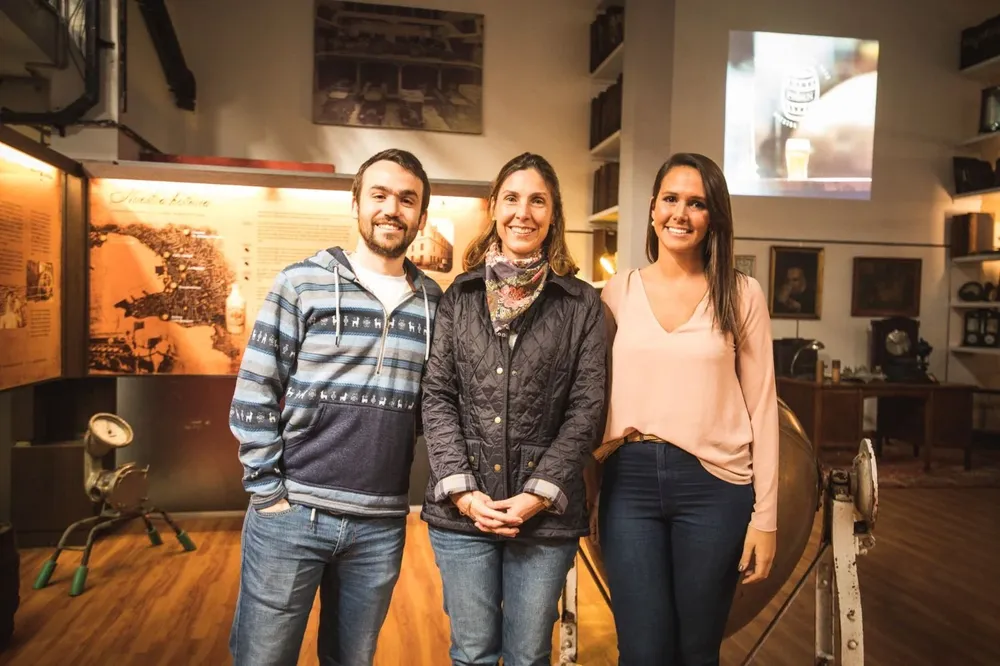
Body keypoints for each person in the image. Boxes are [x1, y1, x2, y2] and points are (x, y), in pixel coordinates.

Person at [228, 148, 443, 666]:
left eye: (407, 199)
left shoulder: (436, 303)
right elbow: (255, 387)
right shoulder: (301, 283)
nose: (393, 208)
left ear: (420, 215)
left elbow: (432, 409)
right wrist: (268, 492)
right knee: (263, 658)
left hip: (379, 523)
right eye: (380, 194)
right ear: (355, 204)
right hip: (293, 513)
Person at [420, 152, 607, 666]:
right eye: (512, 198)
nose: (523, 212)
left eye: (537, 200)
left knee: (528, 657)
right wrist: (462, 493)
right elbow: (436, 396)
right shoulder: (457, 297)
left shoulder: (581, 305)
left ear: (553, 214)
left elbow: (587, 406)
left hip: (544, 519)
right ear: (494, 208)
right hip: (462, 514)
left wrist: (535, 497)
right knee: (473, 653)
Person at [593, 152, 779, 665]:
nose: (681, 213)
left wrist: (766, 519)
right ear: (652, 208)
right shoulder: (617, 291)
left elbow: (763, 407)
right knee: (642, 651)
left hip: (716, 490)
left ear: (713, 217)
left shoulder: (742, 294)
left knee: (697, 652)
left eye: (696, 203)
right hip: (629, 484)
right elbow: (591, 393)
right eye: (671, 199)